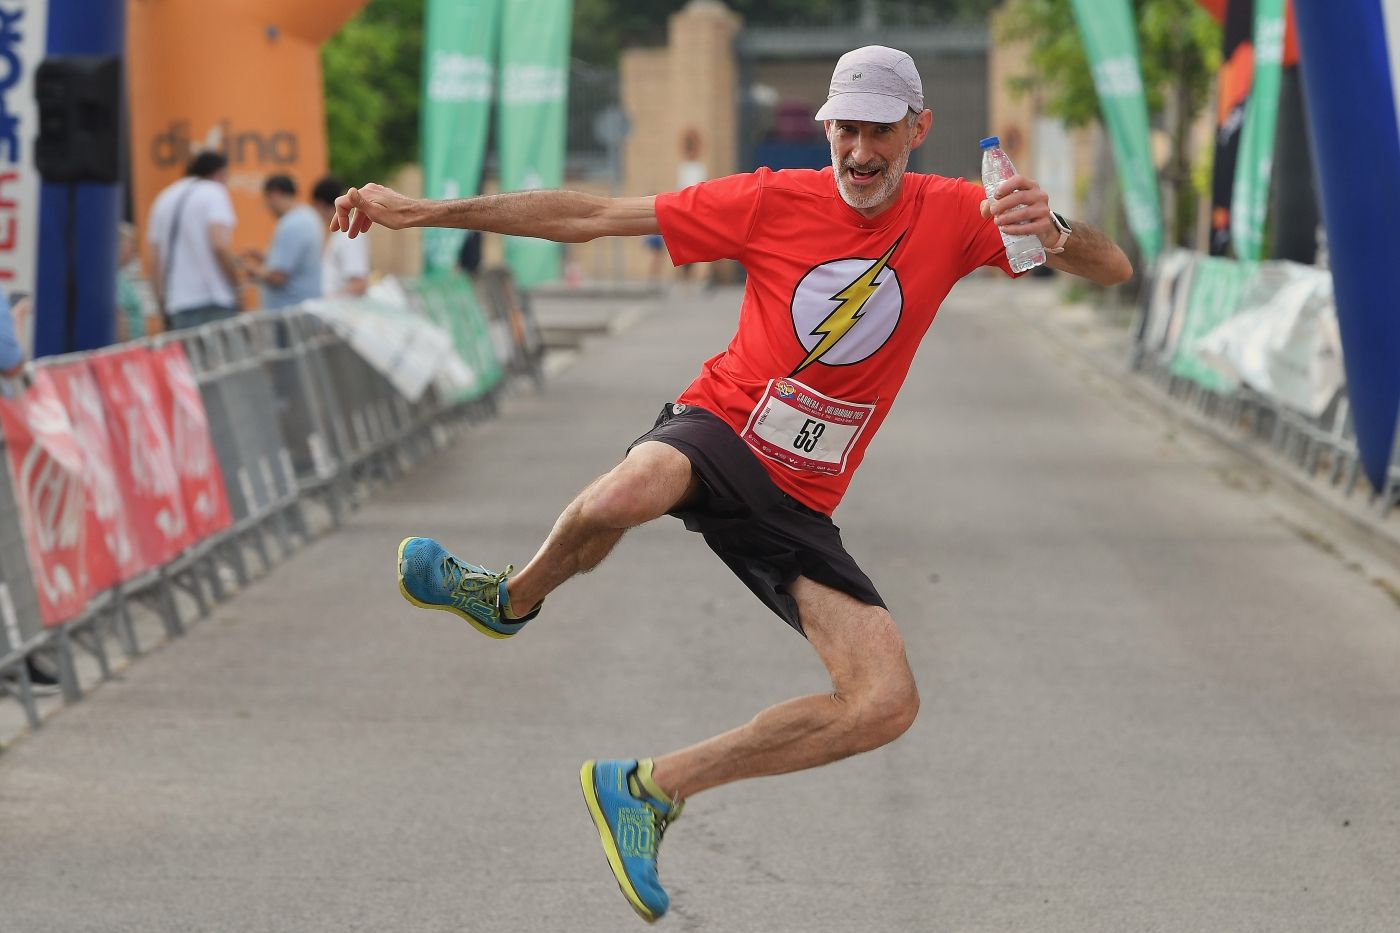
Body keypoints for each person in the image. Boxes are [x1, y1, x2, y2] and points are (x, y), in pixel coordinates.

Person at [334, 46, 1132, 922]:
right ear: (826, 128)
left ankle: (648, 788)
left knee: (886, 702)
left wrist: (1051, 230)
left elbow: (1111, 269)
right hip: (725, 425)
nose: (862, 152)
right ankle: (510, 598)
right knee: (622, 493)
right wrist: (424, 213)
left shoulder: (961, 213)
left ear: (918, 130)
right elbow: (594, 214)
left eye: (881, 133)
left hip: (801, 496)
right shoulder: (768, 198)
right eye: (847, 130)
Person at [146, 151, 242, 330]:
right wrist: (237, 287)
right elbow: (219, 245)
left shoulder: (163, 199)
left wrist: (161, 304)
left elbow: (154, 262)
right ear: (218, 173)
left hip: (177, 304)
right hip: (214, 300)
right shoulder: (214, 191)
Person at [242, 175, 324, 310]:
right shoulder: (309, 216)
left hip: (289, 313)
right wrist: (263, 257)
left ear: (276, 194)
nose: (268, 207)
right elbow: (294, 264)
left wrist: (251, 270)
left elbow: (278, 276)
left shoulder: (291, 224)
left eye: (267, 200)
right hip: (304, 308)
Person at [311, 176, 371, 298]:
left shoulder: (349, 234)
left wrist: (328, 299)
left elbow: (359, 284)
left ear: (319, 204)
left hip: (343, 311)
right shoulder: (337, 233)